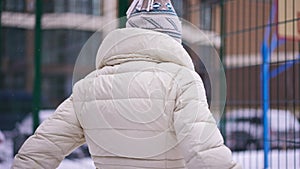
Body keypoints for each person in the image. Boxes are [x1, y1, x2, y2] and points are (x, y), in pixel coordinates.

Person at [12, 0, 241, 168]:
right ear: (171, 40)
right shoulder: (182, 81)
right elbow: (204, 152)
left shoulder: (88, 86)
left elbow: (42, 148)